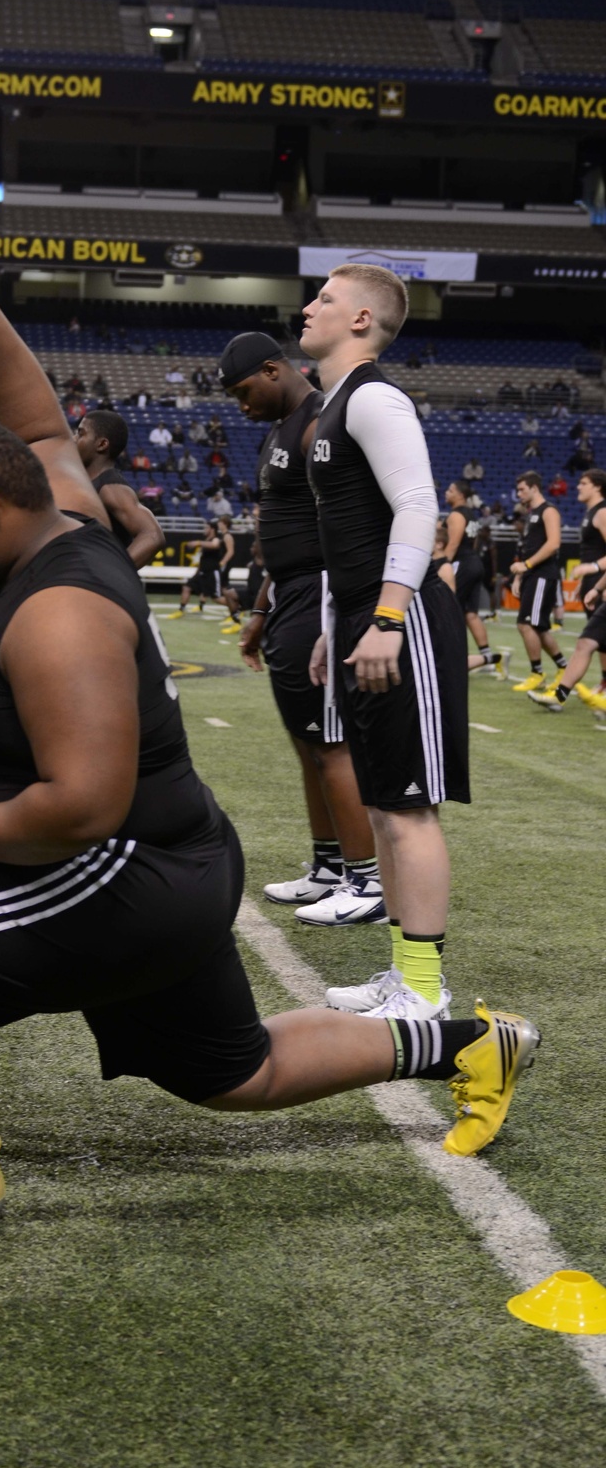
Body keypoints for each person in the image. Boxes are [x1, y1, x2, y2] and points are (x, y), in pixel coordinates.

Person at [0, 209, 541, 1226]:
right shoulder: (55, 514)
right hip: (175, 859)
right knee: (229, 1072)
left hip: (126, 868)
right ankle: (468, 1041)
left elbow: (80, 806)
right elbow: (35, 426)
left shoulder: (57, 612)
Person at [300, 263, 470, 1022]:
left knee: (408, 809)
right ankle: (404, 972)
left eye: (326, 299)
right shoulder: (337, 406)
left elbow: (416, 507)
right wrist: (337, 624)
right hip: (362, 620)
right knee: (382, 808)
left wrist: (388, 619)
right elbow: (349, 533)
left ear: (362, 320)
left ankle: (426, 988)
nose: (309, 307)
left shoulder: (373, 396)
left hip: (398, 624)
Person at [220, 331, 383, 928]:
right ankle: (329, 867)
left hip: (320, 593)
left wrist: (340, 601)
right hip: (289, 593)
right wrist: (262, 608)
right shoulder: (279, 430)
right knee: (307, 744)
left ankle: (365, 880)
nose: (243, 405)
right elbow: (277, 533)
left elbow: (348, 518)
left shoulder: (320, 420)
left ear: (273, 369)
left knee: (331, 742)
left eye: (245, 392)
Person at [528, 469, 606, 712]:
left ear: (597, 486)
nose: (578, 487)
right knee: (596, 642)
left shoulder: (602, 512)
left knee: (588, 641)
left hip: (599, 579)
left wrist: (593, 569)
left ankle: (560, 694)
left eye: (583, 483)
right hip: (596, 583)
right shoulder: (591, 512)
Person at [73, 412, 163, 567]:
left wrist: (114, 574)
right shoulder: (86, 482)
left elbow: (152, 535)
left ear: (102, 444)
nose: (73, 439)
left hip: (97, 587)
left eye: (80, 434)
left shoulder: (110, 487)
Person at [509, 472, 567, 695]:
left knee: (526, 624)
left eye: (523, 489)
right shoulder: (531, 515)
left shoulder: (548, 510)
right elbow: (527, 549)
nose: (519, 494)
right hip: (533, 574)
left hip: (543, 574)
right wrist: (519, 576)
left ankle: (537, 673)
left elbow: (553, 544)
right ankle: (563, 667)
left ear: (534, 488)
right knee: (539, 627)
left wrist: (527, 566)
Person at [441, 480, 505, 677]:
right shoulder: (472, 515)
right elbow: (475, 542)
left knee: (449, 610)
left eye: (450, 490)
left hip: (461, 563)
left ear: (460, 495)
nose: (446, 492)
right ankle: (487, 658)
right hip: (474, 562)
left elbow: (452, 545)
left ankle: (451, 656)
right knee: (471, 613)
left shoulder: (456, 514)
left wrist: (442, 566)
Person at [166, 521, 225, 617]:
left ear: (212, 529)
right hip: (202, 572)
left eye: (207, 528)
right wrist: (197, 571)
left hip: (212, 573)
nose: (205, 530)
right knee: (187, 587)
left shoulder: (216, 539)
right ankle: (181, 610)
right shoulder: (206, 540)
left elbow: (215, 545)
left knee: (216, 598)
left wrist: (198, 543)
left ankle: (236, 608)